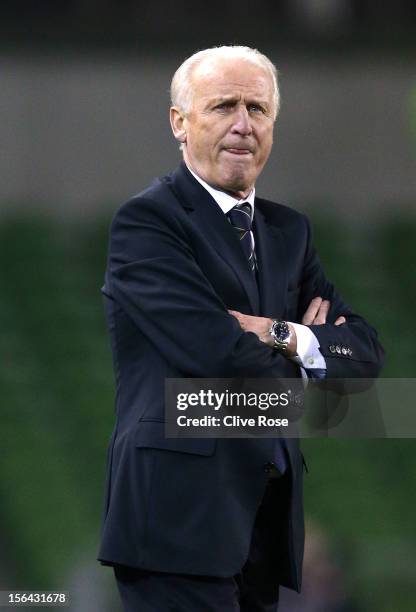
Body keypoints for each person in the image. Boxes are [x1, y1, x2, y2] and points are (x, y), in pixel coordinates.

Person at [98, 46, 384, 611]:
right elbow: (219, 354)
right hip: (176, 526)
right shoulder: (148, 222)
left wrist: (281, 334)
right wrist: (307, 354)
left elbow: (366, 353)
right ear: (179, 123)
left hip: (263, 529)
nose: (242, 125)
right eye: (223, 106)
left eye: (257, 109)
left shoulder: (289, 232)